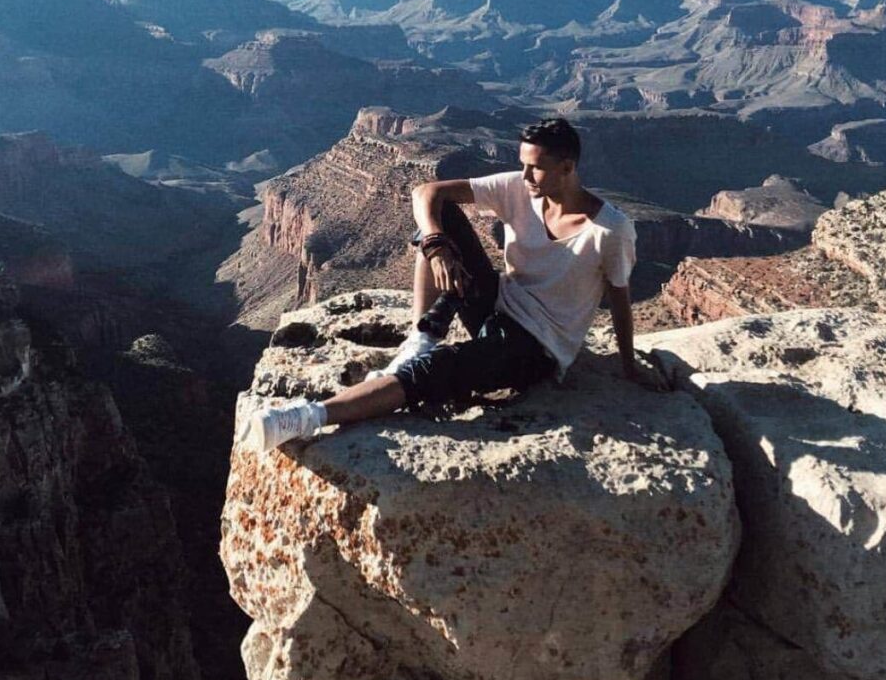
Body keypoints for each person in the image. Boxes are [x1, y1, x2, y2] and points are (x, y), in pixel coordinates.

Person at [240, 117, 650, 452]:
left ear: (568, 167)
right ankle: (421, 337)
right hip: (498, 304)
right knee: (439, 224)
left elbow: (619, 297)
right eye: (522, 164)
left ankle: (307, 417)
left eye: (535, 167)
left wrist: (630, 368)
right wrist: (437, 245)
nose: (524, 175)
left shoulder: (610, 230)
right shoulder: (519, 188)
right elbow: (426, 191)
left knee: (434, 372)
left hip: (536, 347)